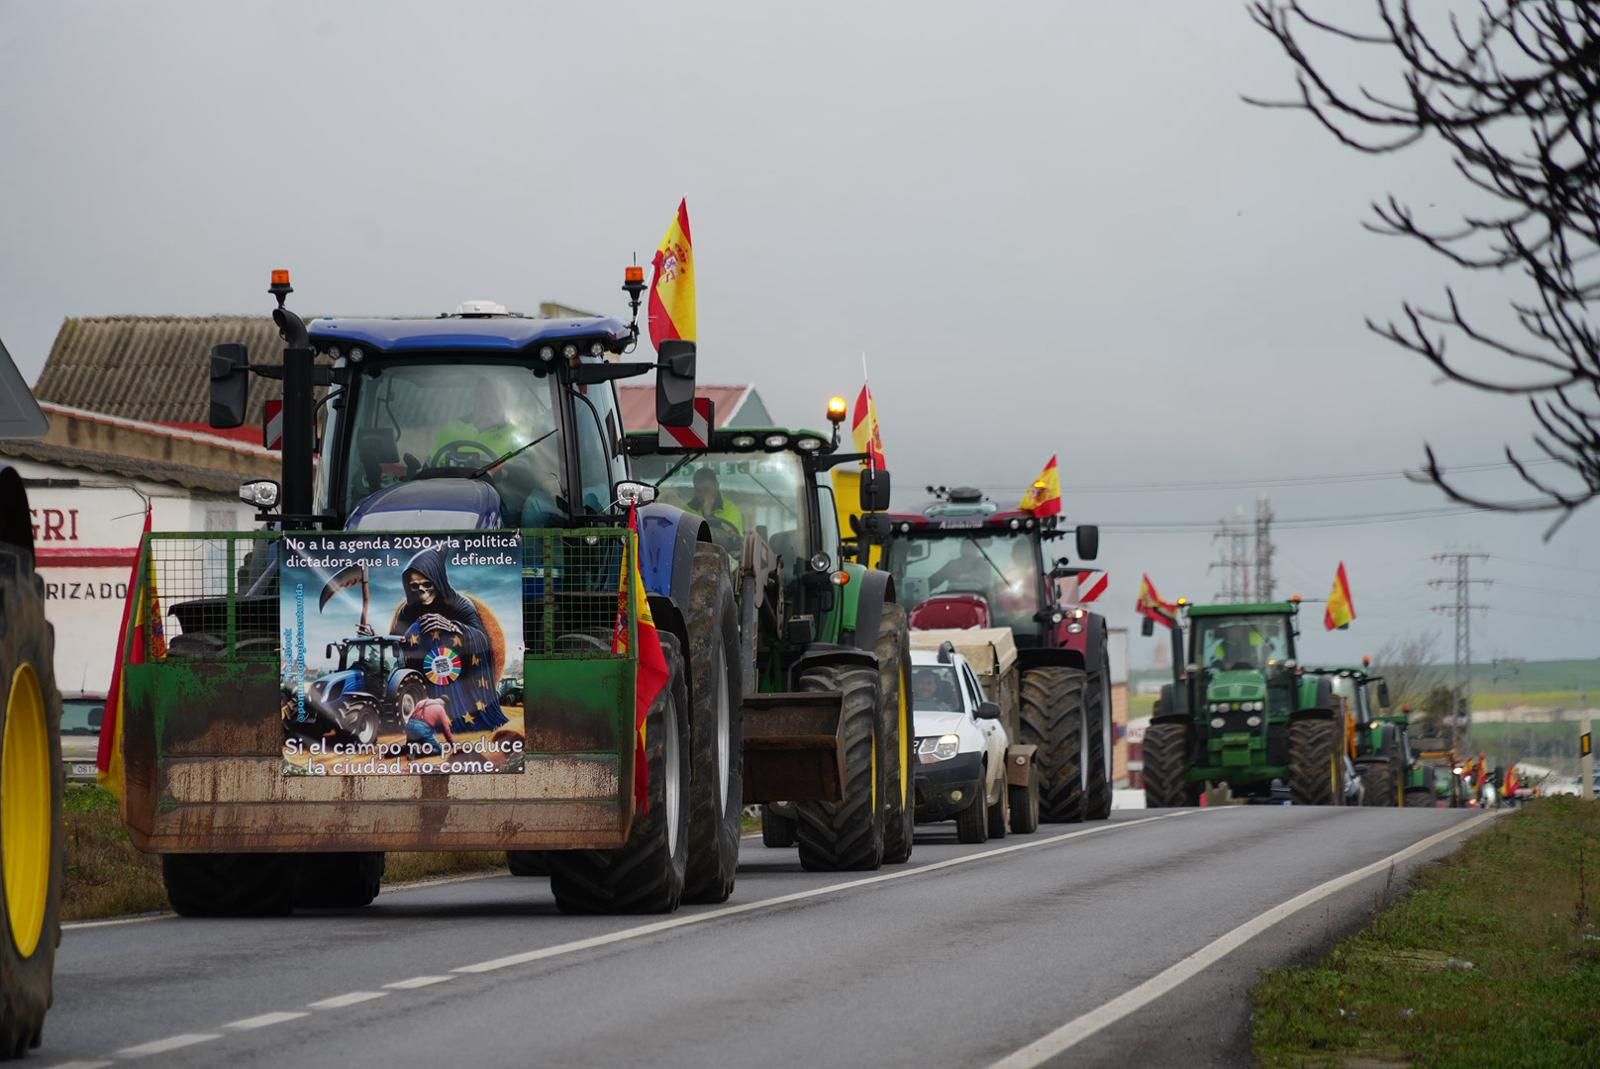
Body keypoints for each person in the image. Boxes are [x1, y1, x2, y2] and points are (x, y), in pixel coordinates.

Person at [390, 547, 509, 733]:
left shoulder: (460, 605)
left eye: (427, 584)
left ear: (438, 581)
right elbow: (397, 644)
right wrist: (371, 638)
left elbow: (481, 639)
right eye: (415, 586)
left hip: (461, 675)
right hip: (424, 676)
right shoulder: (408, 611)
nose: (421, 590)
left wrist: (453, 627)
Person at [685, 467, 744, 544]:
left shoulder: (732, 510)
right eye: (698, 490)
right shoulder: (686, 511)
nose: (703, 495)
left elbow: (734, 542)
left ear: (717, 486)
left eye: (707, 489)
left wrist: (708, 514)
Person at [927, 539, 996, 594]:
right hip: (953, 603)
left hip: (979, 603)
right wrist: (922, 586)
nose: (968, 548)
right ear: (961, 548)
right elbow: (933, 581)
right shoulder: (952, 565)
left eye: (971, 546)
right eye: (966, 545)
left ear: (976, 548)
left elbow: (985, 580)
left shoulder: (984, 564)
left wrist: (968, 577)